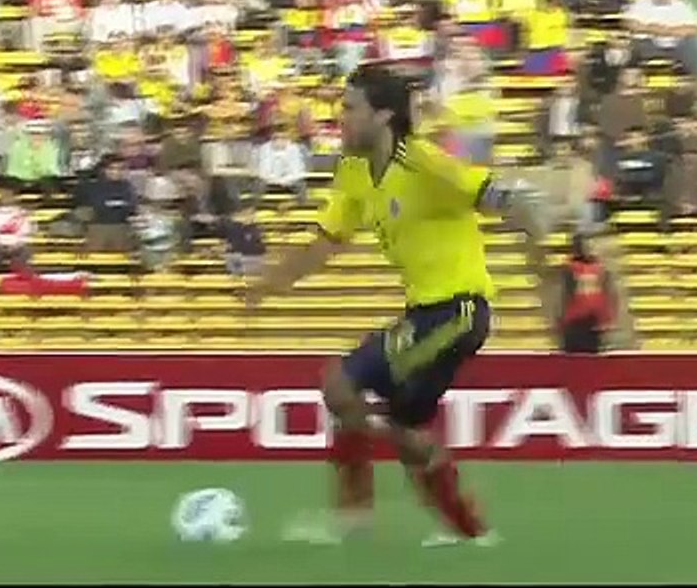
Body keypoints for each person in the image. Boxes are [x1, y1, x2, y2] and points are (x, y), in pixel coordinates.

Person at [246, 64, 546, 547]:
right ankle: (471, 533)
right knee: (406, 432)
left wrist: (537, 229)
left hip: (460, 310)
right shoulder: (353, 171)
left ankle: (353, 519)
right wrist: (268, 285)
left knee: (341, 383)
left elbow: (493, 193)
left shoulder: (422, 161)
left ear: (383, 115)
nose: (338, 117)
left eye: (348, 108)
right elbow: (327, 242)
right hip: (427, 315)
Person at [557, 233, 615, 354]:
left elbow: (606, 294)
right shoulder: (568, 268)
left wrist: (605, 320)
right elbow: (563, 295)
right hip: (574, 323)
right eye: (580, 245)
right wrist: (561, 320)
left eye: (586, 245)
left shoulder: (599, 268)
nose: (585, 248)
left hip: (593, 322)